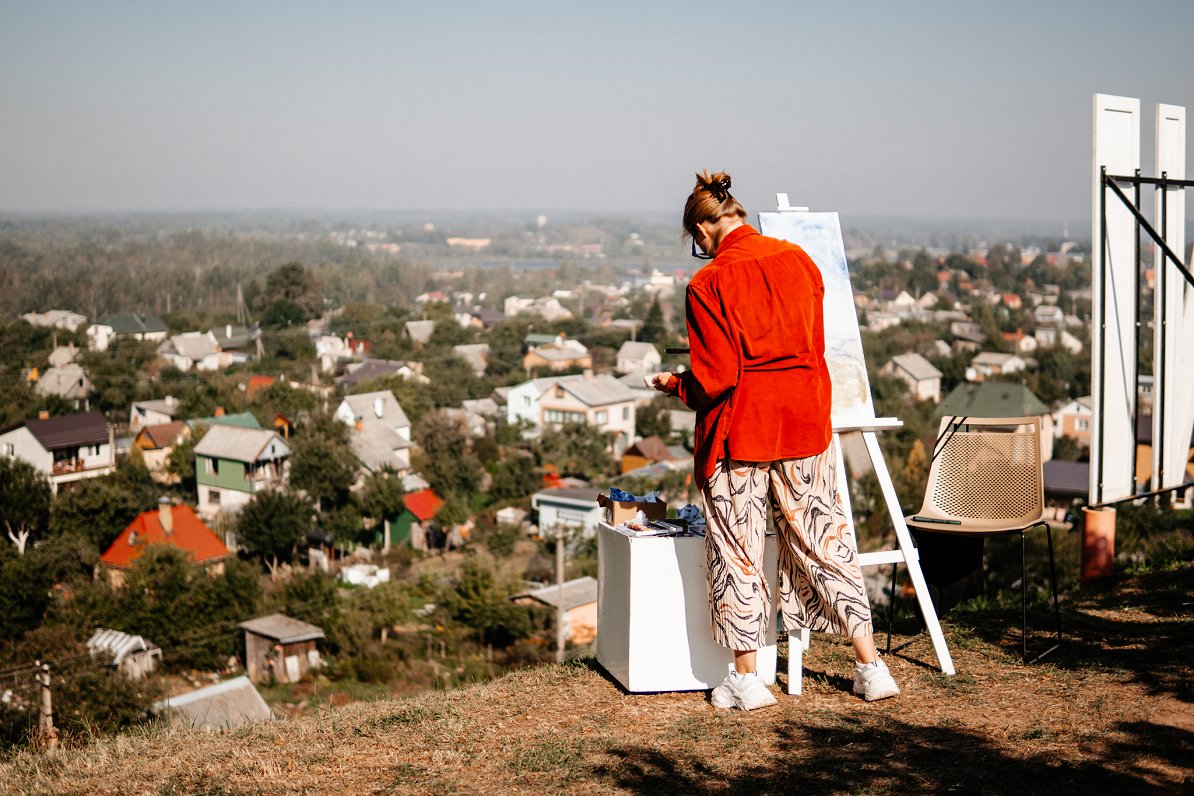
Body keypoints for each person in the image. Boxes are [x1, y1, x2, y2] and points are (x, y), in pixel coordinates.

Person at [649, 170, 899, 711]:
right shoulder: (800, 261)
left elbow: (715, 379)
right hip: (806, 421)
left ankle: (747, 681)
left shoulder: (708, 283)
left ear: (702, 230)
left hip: (743, 431)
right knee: (824, 541)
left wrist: (672, 384)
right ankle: (870, 667)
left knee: (739, 551)